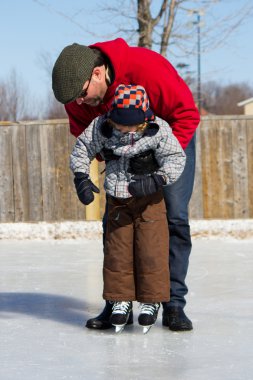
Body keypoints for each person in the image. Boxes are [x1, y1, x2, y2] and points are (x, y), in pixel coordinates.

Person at [52, 38, 200, 331]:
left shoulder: (147, 68)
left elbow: (186, 114)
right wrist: (90, 167)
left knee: (173, 218)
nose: (79, 103)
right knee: (115, 222)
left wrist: (157, 164)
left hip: (170, 143)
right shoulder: (77, 97)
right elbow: (85, 138)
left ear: (97, 72)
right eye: (73, 100)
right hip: (120, 155)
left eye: (82, 94)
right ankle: (116, 301)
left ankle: (173, 303)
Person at [70, 84, 186, 333]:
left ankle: (151, 300)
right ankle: (119, 300)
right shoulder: (102, 126)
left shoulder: (159, 129)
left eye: (129, 124)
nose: (122, 128)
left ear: (144, 120)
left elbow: (176, 158)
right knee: (117, 253)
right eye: (119, 123)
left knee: (151, 251)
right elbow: (82, 148)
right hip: (118, 201)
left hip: (149, 200)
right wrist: (81, 176)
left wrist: (158, 178)